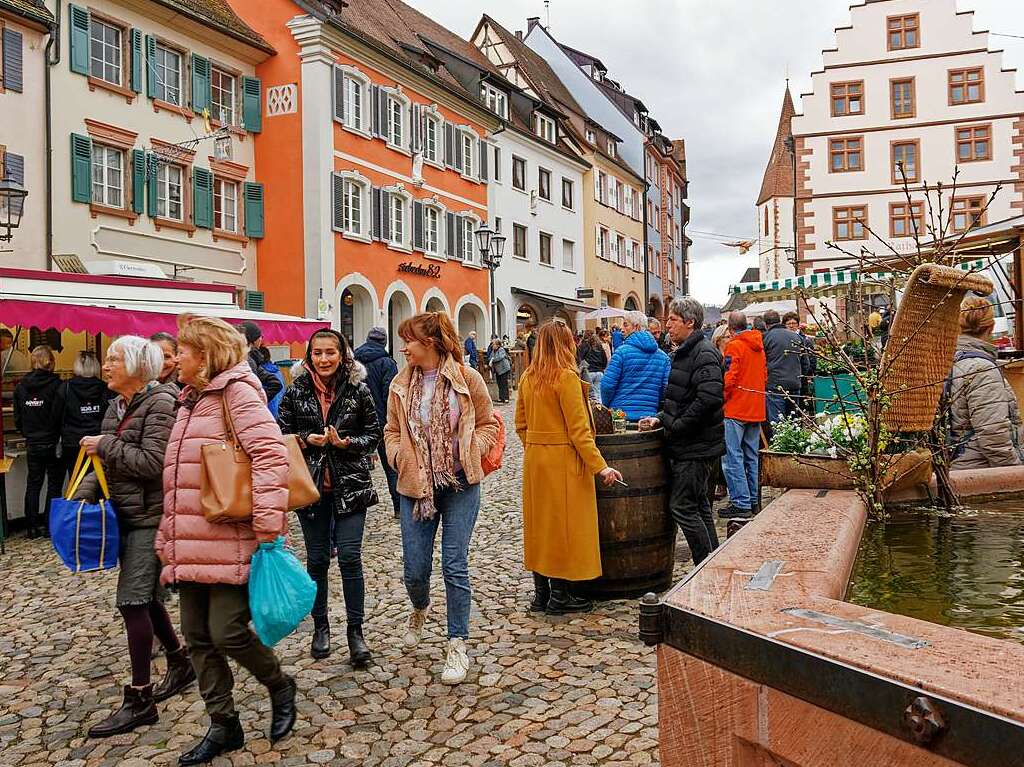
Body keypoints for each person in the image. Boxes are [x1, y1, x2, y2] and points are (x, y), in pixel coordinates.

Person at [155, 316, 296, 765]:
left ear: (206, 354)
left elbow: (271, 454)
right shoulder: (188, 400)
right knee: (196, 636)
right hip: (190, 537)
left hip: (232, 534)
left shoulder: (237, 391)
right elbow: (178, 478)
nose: (176, 359)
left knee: (227, 631)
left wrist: (268, 521)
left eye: (183, 351)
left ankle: (278, 683)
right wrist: (167, 534)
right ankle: (224, 724)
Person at [73, 337, 192, 738]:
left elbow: (153, 463)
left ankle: (140, 697)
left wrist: (105, 444)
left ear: (139, 366)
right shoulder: (117, 406)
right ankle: (179, 661)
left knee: (131, 601)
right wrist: (80, 497)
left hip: (151, 517)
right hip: (126, 514)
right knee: (147, 598)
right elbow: (108, 464)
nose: (106, 366)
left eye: (114, 359)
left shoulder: (161, 403)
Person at [383, 311, 499, 685]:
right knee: (414, 570)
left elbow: (488, 424)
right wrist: (399, 456)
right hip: (416, 487)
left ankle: (457, 643)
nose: (404, 348)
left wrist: (471, 451)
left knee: (454, 563)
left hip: (461, 484)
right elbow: (391, 431)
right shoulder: (399, 385)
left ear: (429, 343)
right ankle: (419, 606)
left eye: (409, 341)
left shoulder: (468, 379)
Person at [278, 329, 379, 666]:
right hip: (310, 488)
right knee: (318, 560)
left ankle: (355, 631)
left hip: (351, 484)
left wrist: (345, 443)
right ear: (309, 357)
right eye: (317, 353)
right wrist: (307, 440)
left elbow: (373, 434)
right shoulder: (295, 392)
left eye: (330, 353)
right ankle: (321, 627)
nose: (323, 359)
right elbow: (281, 435)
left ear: (342, 355)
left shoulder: (357, 390)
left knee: (350, 557)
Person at [516, 322, 623, 615]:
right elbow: (580, 432)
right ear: (565, 344)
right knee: (563, 528)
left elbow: (520, 424)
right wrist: (600, 467)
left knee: (540, 527)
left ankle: (541, 594)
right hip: (564, 461)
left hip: (536, 461)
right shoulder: (565, 378)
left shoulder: (528, 378)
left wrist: (538, 446)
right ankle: (560, 596)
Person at [640, 298, 724, 566]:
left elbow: (708, 399)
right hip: (692, 443)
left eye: (673, 320)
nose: (668, 325)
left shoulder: (703, 352)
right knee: (698, 505)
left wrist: (676, 426)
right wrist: (661, 419)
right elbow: (681, 399)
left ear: (690, 322)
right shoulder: (686, 351)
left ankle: (704, 566)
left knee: (683, 506)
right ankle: (712, 563)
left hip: (695, 445)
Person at [947, 296, 1024, 469]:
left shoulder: (950, 361)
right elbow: (993, 436)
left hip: (956, 464)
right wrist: (1014, 473)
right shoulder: (982, 369)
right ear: (991, 327)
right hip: (978, 469)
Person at [14, 345, 64, 538]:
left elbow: (18, 418)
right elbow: (59, 415)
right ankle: (50, 526)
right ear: (51, 361)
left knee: (33, 484)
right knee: (54, 485)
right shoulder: (57, 385)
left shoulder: (21, 386)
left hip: (32, 442)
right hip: (53, 442)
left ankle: (31, 527)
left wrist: (27, 432)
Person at [720, 312, 767, 519]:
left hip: (736, 408)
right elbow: (764, 375)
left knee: (732, 457)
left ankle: (740, 502)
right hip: (755, 407)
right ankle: (754, 500)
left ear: (730, 329)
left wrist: (722, 398)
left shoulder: (734, 346)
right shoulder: (758, 346)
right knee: (751, 456)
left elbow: (730, 377)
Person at [353, 327, 400, 515]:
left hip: (356, 421)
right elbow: (389, 394)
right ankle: (399, 508)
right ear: (384, 343)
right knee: (391, 466)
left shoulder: (354, 361)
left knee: (354, 465)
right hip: (381, 421)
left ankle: (354, 509)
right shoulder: (387, 363)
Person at [600, 310, 671, 420]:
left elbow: (607, 385)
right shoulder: (663, 358)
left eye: (625, 325)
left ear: (636, 327)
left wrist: (607, 406)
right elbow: (666, 389)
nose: (622, 329)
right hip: (649, 418)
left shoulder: (621, 353)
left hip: (619, 416)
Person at [59, 351, 113, 486]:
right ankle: (97, 507)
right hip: (99, 442)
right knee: (100, 483)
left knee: (75, 481)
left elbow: (57, 416)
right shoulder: (106, 388)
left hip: (73, 443)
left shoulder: (65, 387)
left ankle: (78, 506)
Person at [762, 309, 809, 425]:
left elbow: (762, 362)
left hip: (775, 386)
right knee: (794, 422)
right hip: (794, 384)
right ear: (780, 321)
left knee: (778, 424)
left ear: (766, 324)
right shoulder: (797, 337)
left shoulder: (766, 337)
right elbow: (805, 363)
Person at [238, 320, 284, 406]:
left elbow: (275, 384)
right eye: (260, 336)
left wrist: (258, 400)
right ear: (253, 339)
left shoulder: (248, 359)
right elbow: (276, 384)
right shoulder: (249, 360)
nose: (261, 339)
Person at [783, 312, 816, 414]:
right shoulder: (782, 339)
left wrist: (807, 374)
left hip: (801, 379)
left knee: (800, 408)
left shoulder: (806, 340)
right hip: (786, 378)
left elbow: (812, 360)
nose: (791, 326)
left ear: (798, 324)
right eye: (789, 324)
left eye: (794, 323)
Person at [578, 330, 608, 404]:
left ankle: (593, 413)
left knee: (589, 397)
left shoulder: (583, 346)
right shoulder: (599, 346)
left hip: (588, 373)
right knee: (598, 395)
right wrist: (601, 368)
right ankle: (600, 412)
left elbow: (580, 359)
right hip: (599, 372)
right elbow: (605, 360)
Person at [487, 337, 512, 403]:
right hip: (498, 370)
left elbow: (499, 357)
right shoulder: (493, 351)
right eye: (492, 344)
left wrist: (492, 360)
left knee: (504, 383)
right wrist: (491, 359)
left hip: (504, 369)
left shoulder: (501, 350)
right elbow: (490, 358)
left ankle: (506, 398)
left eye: (494, 344)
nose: (492, 345)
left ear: (498, 345)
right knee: (499, 383)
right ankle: (501, 398)